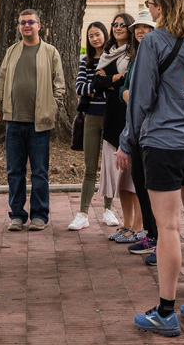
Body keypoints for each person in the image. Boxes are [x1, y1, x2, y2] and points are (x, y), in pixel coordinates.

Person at [118, 0, 184, 337]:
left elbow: (141, 99)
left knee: (169, 229)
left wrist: (126, 141)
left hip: (163, 144)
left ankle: (165, 311)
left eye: (149, 2)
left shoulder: (154, 43)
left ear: (159, 6)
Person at [0, 9, 65, 231]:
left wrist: (52, 109)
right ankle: (17, 215)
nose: (26, 26)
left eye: (31, 22)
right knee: (15, 171)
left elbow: (59, 85)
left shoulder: (50, 52)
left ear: (39, 26)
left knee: (39, 172)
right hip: (14, 122)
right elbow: (1, 81)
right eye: (23, 22)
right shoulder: (12, 51)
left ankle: (40, 215)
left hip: (39, 123)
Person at [94, 12, 142, 243]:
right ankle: (126, 224)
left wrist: (111, 79)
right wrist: (115, 79)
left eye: (123, 24)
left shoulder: (136, 52)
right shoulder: (107, 52)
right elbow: (96, 82)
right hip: (112, 116)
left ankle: (138, 226)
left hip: (130, 117)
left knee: (134, 177)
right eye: (115, 24)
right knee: (121, 177)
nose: (118, 27)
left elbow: (130, 82)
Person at [118, 10, 159, 264]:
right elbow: (126, 86)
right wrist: (125, 93)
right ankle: (149, 233)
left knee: (153, 186)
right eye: (138, 28)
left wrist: (133, 96)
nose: (141, 32)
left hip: (152, 130)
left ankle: (158, 237)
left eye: (146, 27)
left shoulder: (155, 54)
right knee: (140, 180)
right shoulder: (135, 57)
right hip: (135, 127)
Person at [69, 21, 117, 231]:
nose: (95, 39)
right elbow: (79, 87)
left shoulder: (114, 59)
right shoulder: (85, 62)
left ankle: (108, 209)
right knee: (90, 167)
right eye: (91, 36)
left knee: (109, 166)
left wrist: (98, 86)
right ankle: (83, 213)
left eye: (98, 34)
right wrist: (104, 84)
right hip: (91, 117)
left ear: (105, 35)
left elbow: (117, 86)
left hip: (112, 117)